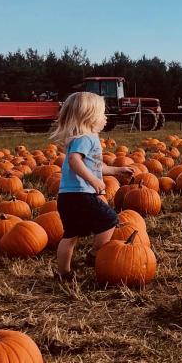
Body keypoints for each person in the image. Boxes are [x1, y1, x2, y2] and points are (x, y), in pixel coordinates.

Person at [51, 91, 135, 281]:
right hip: (82, 195)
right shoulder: (87, 138)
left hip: (66, 197)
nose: (106, 118)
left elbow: (94, 166)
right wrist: (93, 181)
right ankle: (95, 254)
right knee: (109, 220)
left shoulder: (78, 139)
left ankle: (64, 273)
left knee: (70, 236)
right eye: (102, 114)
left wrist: (115, 171)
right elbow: (74, 161)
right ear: (89, 117)